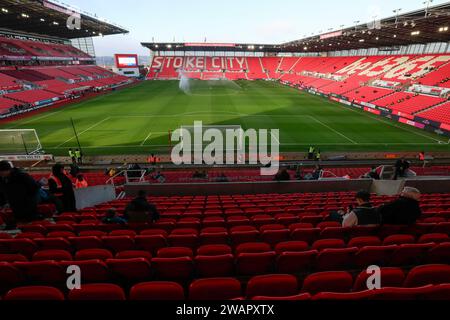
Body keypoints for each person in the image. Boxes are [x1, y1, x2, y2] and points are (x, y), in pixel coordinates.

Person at [0, 161, 41, 229]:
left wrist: (27, 199)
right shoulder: (2, 179)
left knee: (30, 225)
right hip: (15, 206)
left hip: (27, 205)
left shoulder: (22, 176)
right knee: (21, 224)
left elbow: (34, 187)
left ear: (7, 170)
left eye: (1, 172)